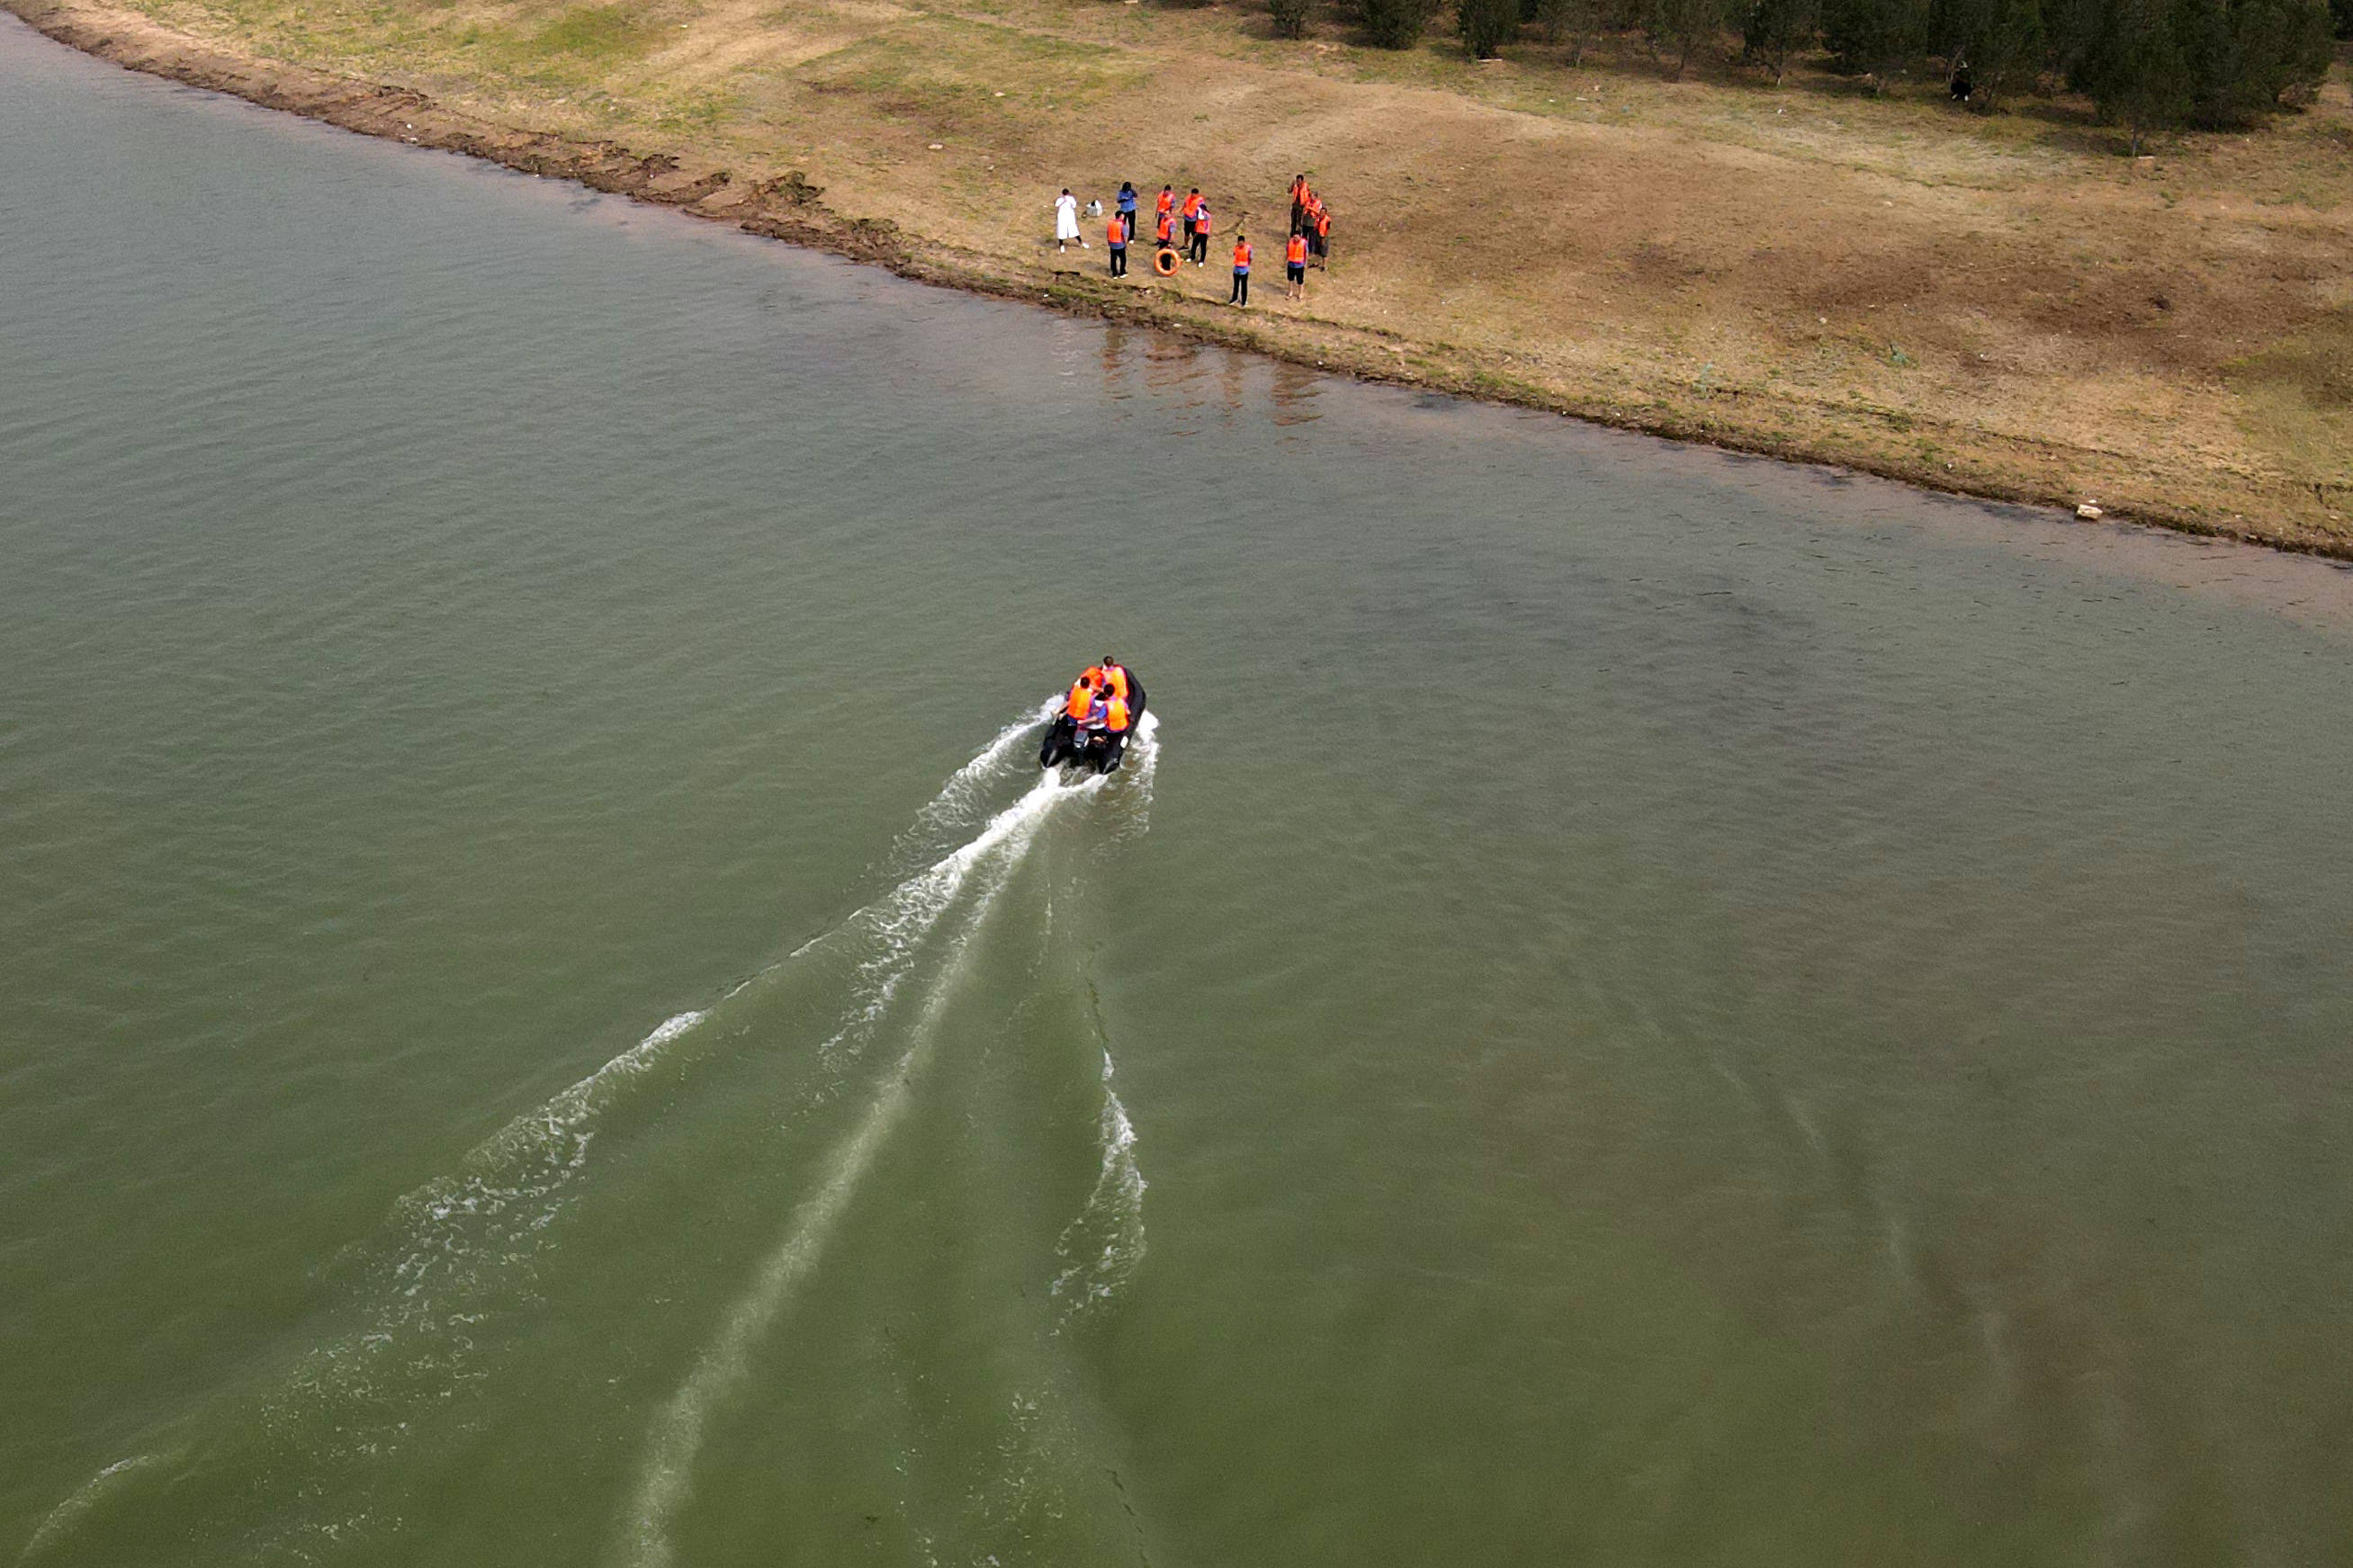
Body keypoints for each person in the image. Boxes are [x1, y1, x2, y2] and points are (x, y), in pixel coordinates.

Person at [1054, 188, 1084, 253]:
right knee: (1061, 231)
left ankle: (1081, 243)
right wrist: (1063, 200)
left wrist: (1068, 200)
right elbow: (1056, 205)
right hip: (1062, 217)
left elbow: (1074, 205)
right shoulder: (1060, 199)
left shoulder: (1071, 199)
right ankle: (1061, 245)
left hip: (1070, 217)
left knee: (1074, 230)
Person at [1229, 234, 1253, 306]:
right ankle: (1234, 298)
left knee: (1244, 287)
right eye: (1239, 243)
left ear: (1244, 242)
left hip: (1244, 270)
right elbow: (1234, 254)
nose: (1240, 244)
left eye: (1241, 243)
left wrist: (1248, 265)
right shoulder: (1236, 248)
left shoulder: (1248, 248)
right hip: (1236, 269)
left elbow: (1251, 257)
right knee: (1236, 286)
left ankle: (1244, 301)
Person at [1284, 228, 1307, 300]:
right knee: (1290, 279)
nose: (1295, 239)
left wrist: (1305, 263)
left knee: (1300, 281)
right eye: (1294, 237)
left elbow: (1306, 253)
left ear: (1300, 236)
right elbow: (1287, 251)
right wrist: (1285, 260)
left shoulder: (1304, 242)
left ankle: (1300, 293)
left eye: (1297, 237)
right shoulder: (1290, 242)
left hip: (1299, 265)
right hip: (1291, 264)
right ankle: (1290, 292)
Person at [1190, 199, 1211, 266]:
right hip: (1198, 232)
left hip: (1204, 233)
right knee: (1194, 245)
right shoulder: (1199, 214)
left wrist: (1199, 210)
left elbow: (1201, 218)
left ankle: (1201, 260)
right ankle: (1192, 257)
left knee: (1203, 247)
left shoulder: (1207, 215)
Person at [1181, 188, 1202, 253]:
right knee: (1186, 233)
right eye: (1192, 194)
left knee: (1194, 235)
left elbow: (1201, 212)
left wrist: (1198, 221)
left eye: (1194, 195)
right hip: (1187, 219)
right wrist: (1179, 210)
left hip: (1194, 221)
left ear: (1197, 194)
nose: (1193, 196)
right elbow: (1184, 205)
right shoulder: (1188, 198)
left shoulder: (1200, 201)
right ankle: (1186, 246)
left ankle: (1195, 247)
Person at [1107, 211, 1128, 276]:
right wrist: (1126, 244)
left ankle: (1114, 273)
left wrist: (1108, 241)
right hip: (1120, 244)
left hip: (1112, 244)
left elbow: (1108, 232)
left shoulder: (1110, 223)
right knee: (1123, 259)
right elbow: (1125, 236)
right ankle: (1122, 272)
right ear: (1121, 216)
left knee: (1113, 259)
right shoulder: (1122, 225)